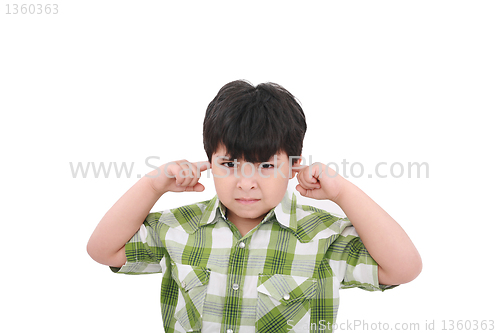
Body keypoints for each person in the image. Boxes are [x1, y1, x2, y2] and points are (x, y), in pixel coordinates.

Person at [87, 80, 422, 333]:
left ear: (293, 166)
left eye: (265, 166)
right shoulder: (179, 228)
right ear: (210, 163)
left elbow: (403, 268)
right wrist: (152, 184)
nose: (246, 182)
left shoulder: (323, 236)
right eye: (230, 164)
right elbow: (104, 250)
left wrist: (344, 194)